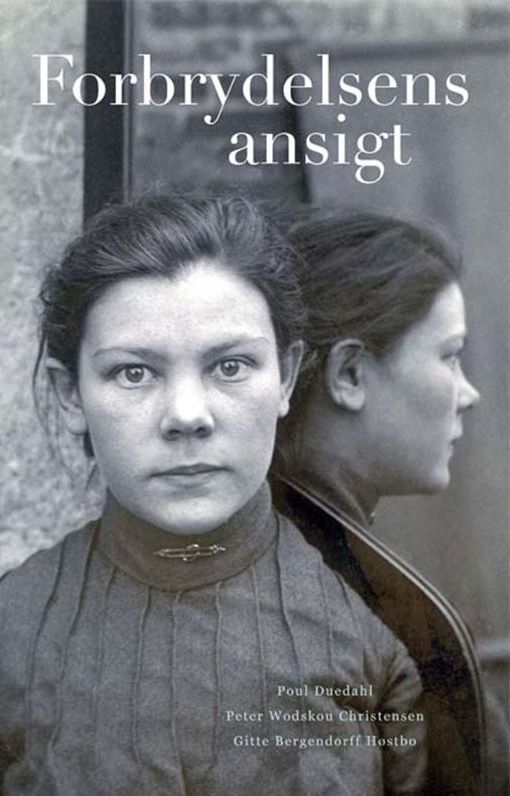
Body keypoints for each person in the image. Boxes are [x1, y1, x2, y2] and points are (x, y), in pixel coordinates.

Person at [0, 193, 426, 795]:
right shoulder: (11, 629)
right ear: (71, 395)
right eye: (133, 372)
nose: (187, 415)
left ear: (285, 377)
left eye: (230, 366)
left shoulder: (383, 639)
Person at [274, 209, 492, 793]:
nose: (468, 393)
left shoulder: (331, 563)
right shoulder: (315, 611)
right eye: (449, 355)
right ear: (349, 373)